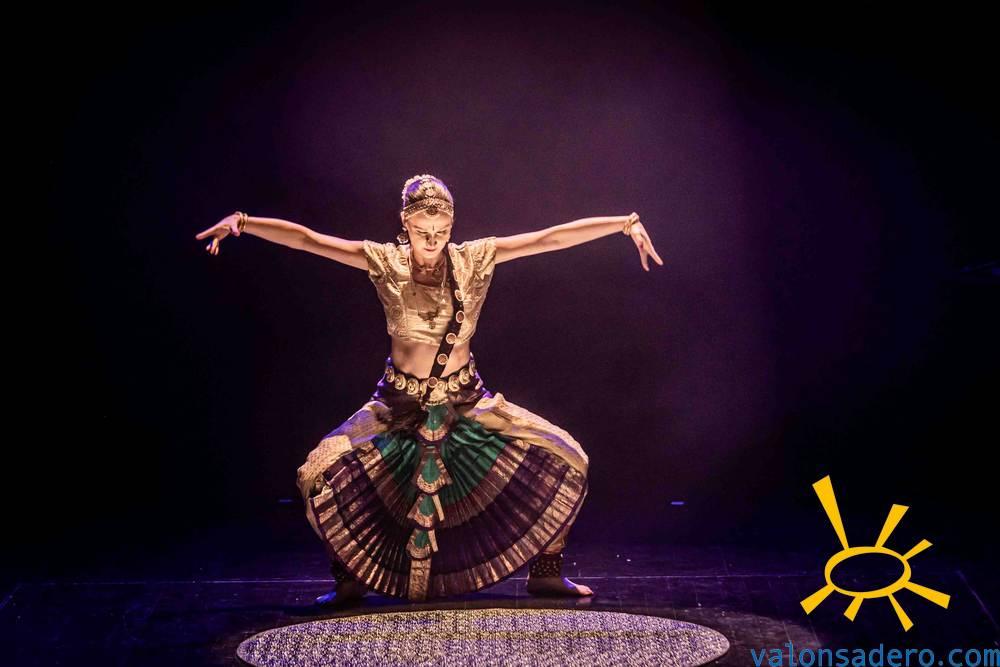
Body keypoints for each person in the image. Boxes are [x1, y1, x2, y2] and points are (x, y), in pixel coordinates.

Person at [195, 174, 663, 607]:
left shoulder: (474, 259)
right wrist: (243, 223)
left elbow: (547, 239)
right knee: (315, 476)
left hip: (465, 401)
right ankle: (348, 581)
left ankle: (545, 573)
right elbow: (309, 240)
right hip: (396, 404)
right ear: (406, 224)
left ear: (452, 226)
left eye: (441, 230)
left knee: (569, 457)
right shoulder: (384, 262)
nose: (433, 239)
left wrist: (624, 224)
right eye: (423, 230)